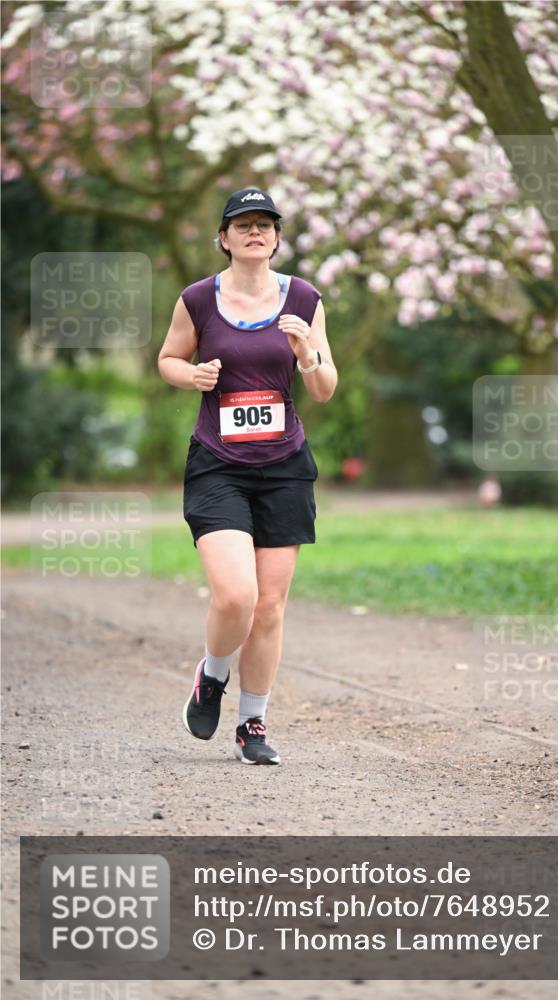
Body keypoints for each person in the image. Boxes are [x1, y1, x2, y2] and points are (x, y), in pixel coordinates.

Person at [157, 187, 337, 764]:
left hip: (284, 467)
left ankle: (252, 725)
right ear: (224, 237)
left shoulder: (305, 299)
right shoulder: (198, 299)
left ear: (278, 238)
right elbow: (168, 359)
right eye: (243, 224)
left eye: (265, 224)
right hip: (218, 464)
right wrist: (194, 377)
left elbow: (325, 388)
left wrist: (306, 351)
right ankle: (211, 678)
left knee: (270, 607)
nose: (254, 232)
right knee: (237, 595)